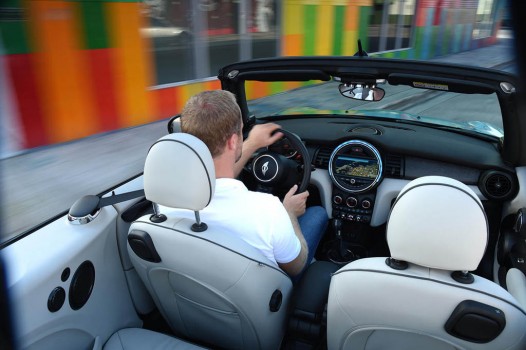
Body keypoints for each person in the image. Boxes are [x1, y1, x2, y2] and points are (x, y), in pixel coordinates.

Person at [176, 90, 328, 279]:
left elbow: (218, 174)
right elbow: (296, 266)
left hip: (200, 293)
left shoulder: (165, 200)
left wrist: (251, 144)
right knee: (318, 213)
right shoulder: (270, 211)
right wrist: (289, 214)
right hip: (266, 300)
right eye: (241, 131)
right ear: (233, 141)